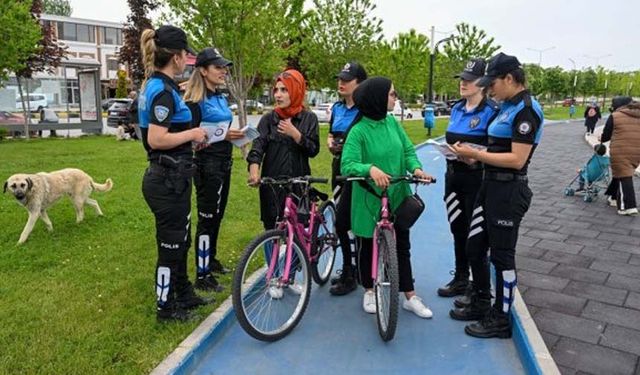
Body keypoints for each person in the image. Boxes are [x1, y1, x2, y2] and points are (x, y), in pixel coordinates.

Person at [451, 53, 544, 338]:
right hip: (488, 185)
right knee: (474, 246)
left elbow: (517, 159)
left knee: (502, 257)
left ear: (509, 79)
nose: (490, 88)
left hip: (508, 189)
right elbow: (495, 150)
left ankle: (501, 319)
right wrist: (475, 158)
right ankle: (481, 300)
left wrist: (476, 153)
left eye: (493, 83)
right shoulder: (506, 106)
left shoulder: (526, 109)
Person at [341, 77, 435, 319]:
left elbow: (407, 150)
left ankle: (410, 296)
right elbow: (348, 164)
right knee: (367, 246)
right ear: (377, 99)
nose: (395, 98)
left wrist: (416, 169)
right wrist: (369, 169)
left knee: (402, 246)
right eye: (392, 94)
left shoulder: (392, 123)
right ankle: (369, 290)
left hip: (396, 194)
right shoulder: (358, 131)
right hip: (368, 198)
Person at [138, 25, 210, 321]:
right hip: (165, 179)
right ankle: (165, 308)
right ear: (177, 57)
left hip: (175, 177)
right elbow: (156, 139)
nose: (186, 60)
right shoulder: (162, 91)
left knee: (181, 239)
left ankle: (184, 293)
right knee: (170, 245)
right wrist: (193, 133)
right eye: (186, 55)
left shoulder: (158, 86)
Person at [436, 58, 499, 299]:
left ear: (483, 83)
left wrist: (476, 158)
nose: (463, 83)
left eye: (469, 80)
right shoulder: (456, 108)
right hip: (453, 177)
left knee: (476, 236)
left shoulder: (492, 112)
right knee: (457, 229)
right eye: (462, 79)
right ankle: (461, 277)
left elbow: (497, 149)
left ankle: (478, 284)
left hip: (477, 179)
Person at [184, 47, 244, 292]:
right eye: (218, 67)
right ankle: (202, 273)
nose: (223, 71)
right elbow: (192, 137)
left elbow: (220, 131)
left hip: (224, 161)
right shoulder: (195, 101)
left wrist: (235, 137)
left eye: (224, 67)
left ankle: (211, 258)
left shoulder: (219, 97)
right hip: (207, 164)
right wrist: (223, 134)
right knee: (207, 218)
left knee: (217, 215)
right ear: (203, 70)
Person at [247, 69, 320, 231]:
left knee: (298, 231)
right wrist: (254, 172)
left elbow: (314, 150)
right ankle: (272, 257)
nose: (278, 95)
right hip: (273, 184)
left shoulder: (309, 118)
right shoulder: (268, 119)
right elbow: (257, 148)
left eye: (284, 90)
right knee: (271, 230)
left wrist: (296, 135)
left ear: (296, 91)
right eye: (276, 90)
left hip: (298, 184)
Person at [326, 61, 367, 296]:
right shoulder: (337, 108)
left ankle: (357, 270)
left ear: (359, 84)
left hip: (357, 171)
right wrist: (331, 143)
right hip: (338, 168)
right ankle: (349, 268)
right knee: (342, 223)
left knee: (353, 221)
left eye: (346, 80)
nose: (341, 83)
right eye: (339, 79)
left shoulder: (365, 112)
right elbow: (332, 133)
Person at [600, 96, 639, 216]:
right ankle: (613, 197)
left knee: (624, 175)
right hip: (637, 150)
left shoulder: (616, 116)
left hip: (621, 150)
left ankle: (627, 206)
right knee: (621, 172)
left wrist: (601, 139)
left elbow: (606, 134)